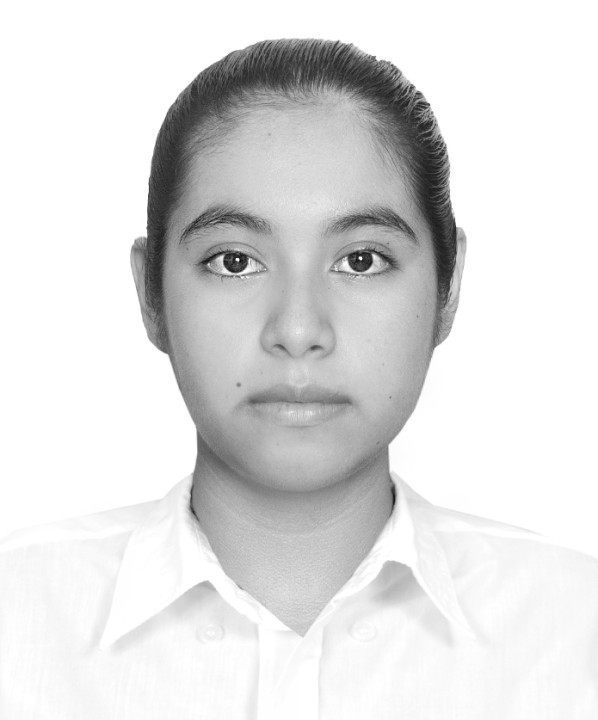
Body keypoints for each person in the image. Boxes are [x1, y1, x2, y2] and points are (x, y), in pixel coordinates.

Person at [0, 37, 596, 719]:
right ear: (150, 295)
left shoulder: (576, 634)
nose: (298, 328)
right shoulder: (16, 621)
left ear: (449, 286)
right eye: (234, 261)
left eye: (362, 260)